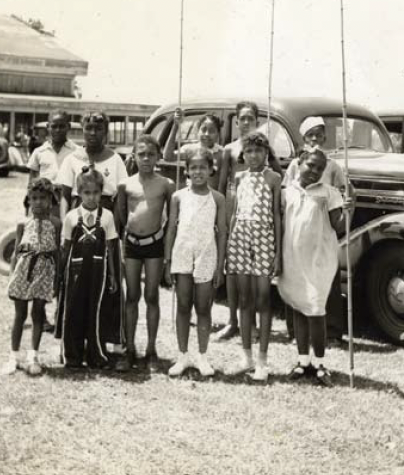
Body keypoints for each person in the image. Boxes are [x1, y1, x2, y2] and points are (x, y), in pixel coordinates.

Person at [56, 111, 128, 350]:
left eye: (98, 129)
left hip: (105, 221)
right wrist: (67, 223)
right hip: (78, 220)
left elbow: (119, 198)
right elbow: (65, 196)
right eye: (89, 129)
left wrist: (114, 229)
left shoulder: (115, 159)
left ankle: (106, 341)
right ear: (82, 130)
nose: (93, 133)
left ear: (105, 132)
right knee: (78, 282)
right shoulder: (72, 159)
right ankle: (75, 341)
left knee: (108, 279)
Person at [278, 148, 347, 386]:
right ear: (299, 163)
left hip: (319, 259)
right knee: (298, 306)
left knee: (316, 309)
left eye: (320, 168)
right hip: (293, 257)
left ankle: (319, 363)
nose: (315, 171)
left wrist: (348, 209)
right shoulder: (287, 192)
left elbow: (338, 227)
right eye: (311, 166)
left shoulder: (329, 193)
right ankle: (303, 361)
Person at [216, 101, 282, 341]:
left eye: (250, 119)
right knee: (233, 272)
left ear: (257, 121)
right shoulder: (230, 149)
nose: (245, 123)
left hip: (258, 214)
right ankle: (233, 321)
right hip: (235, 212)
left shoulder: (263, 148)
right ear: (236, 121)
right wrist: (222, 216)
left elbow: (277, 175)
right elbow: (223, 184)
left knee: (255, 274)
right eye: (241, 118)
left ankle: (252, 323)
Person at [283, 115, 352, 344]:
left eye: (319, 134)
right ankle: (295, 332)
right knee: (296, 279)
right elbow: (287, 192)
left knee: (327, 280)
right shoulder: (295, 165)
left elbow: (344, 190)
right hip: (299, 228)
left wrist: (348, 202)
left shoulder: (333, 165)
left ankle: (332, 332)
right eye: (310, 135)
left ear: (324, 136)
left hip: (324, 226)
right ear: (304, 138)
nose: (315, 138)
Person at [164, 149, 227, 377]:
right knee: (183, 305)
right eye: (193, 167)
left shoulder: (218, 199)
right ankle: (182, 356)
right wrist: (167, 260)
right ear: (187, 170)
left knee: (203, 307)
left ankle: (202, 356)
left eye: (203, 167)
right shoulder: (178, 197)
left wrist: (220, 266)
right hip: (182, 254)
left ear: (211, 169)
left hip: (206, 255)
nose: (198, 171)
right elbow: (171, 228)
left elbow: (221, 233)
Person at [115, 135, 175, 372]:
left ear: (158, 156)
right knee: (132, 296)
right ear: (134, 157)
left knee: (151, 296)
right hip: (131, 245)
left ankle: (151, 350)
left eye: (151, 154)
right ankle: (130, 349)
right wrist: (123, 240)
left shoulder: (166, 185)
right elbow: (121, 216)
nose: (146, 159)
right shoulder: (125, 184)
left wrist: (167, 248)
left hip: (154, 246)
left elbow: (171, 218)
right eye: (141, 154)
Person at [226, 131, 282, 382]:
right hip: (239, 240)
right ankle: (246, 356)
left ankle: (262, 360)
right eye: (248, 151)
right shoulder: (239, 178)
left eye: (258, 150)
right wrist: (230, 243)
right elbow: (235, 213)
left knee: (263, 298)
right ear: (243, 154)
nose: (253, 155)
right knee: (244, 299)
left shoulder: (274, 178)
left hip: (264, 241)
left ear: (266, 153)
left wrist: (278, 252)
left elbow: (277, 216)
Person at [57, 168, 118, 369]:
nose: (92, 197)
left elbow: (110, 248)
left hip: (98, 272)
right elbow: (65, 248)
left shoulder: (107, 217)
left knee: (96, 311)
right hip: (75, 272)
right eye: (87, 193)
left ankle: (96, 355)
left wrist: (112, 276)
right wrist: (60, 274)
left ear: (102, 192)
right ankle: (72, 356)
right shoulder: (71, 217)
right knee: (73, 310)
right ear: (79, 193)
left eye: (96, 193)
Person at [2, 178, 60, 376]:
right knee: (20, 315)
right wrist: (11, 276)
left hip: (44, 273)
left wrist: (57, 279)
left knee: (38, 314)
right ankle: (13, 356)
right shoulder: (23, 223)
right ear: (28, 200)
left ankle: (33, 355)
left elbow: (57, 253)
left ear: (50, 200)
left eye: (42, 198)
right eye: (33, 198)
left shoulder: (55, 224)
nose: (38, 202)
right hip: (23, 271)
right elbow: (15, 253)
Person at [27, 110, 77, 333]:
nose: (57, 130)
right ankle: (42, 315)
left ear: (68, 127)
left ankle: (61, 312)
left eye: (61, 126)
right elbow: (31, 186)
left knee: (63, 259)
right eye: (53, 126)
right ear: (47, 127)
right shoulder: (39, 152)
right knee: (42, 261)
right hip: (44, 210)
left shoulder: (77, 152)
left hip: (66, 207)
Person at [163, 111, 224, 191]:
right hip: (191, 196)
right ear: (197, 131)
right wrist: (176, 125)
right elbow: (168, 156)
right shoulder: (190, 149)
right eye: (203, 130)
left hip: (212, 199)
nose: (207, 134)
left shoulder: (221, 153)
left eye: (212, 131)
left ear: (218, 134)